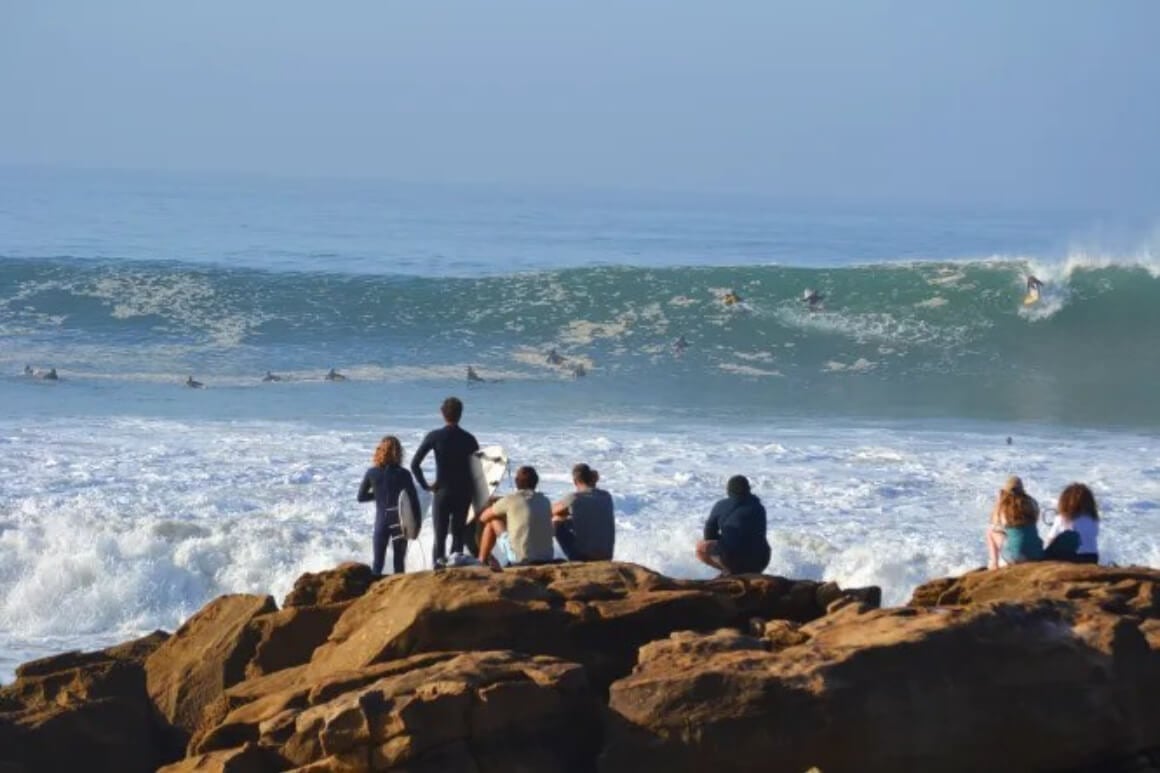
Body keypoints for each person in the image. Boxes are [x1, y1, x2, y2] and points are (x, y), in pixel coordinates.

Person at [411, 396, 480, 562]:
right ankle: (456, 569)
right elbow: (479, 471)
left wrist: (426, 486)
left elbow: (414, 464)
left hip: (442, 491)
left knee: (440, 535)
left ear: (442, 414)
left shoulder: (435, 436)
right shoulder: (470, 440)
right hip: (464, 492)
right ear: (460, 414)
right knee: (458, 535)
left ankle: (438, 569)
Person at [357, 435, 421, 576]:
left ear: (380, 451)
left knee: (377, 564)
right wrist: (417, 525)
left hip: (381, 522)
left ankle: (373, 596)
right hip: (399, 522)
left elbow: (360, 497)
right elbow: (414, 501)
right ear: (398, 453)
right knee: (399, 564)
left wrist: (378, 495)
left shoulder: (371, 473)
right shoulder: (404, 474)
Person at [477, 465, 554, 567]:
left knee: (493, 520)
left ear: (517, 481)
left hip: (520, 560)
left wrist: (494, 505)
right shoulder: (545, 501)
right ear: (536, 482)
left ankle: (481, 561)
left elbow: (483, 517)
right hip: (547, 557)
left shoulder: (510, 499)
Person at [696, 475, 771, 575]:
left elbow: (708, 533)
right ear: (748, 489)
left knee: (701, 547)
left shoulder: (721, 505)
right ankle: (746, 572)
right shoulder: (759, 507)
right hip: (762, 560)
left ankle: (727, 571)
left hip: (733, 559)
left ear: (728, 490)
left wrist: (722, 542)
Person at [552, 463, 615, 561]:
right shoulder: (607, 496)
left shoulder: (574, 498)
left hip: (583, 557)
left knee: (557, 520)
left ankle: (538, 555)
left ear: (575, 481)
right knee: (580, 519)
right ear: (592, 478)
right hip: (607, 555)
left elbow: (550, 511)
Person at [985, 476, 1043, 569]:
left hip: (1017, 557)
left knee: (990, 533)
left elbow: (994, 522)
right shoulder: (1032, 503)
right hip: (1037, 554)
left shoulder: (1004, 507)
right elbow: (1035, 520)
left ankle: (994, 564)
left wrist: (999, 501)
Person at [1044, 483, 1100, 564]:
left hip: (1072, 558)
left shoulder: (1061, 518)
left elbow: (1050, 542)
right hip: (1092, 557)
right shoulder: (1093, 519)